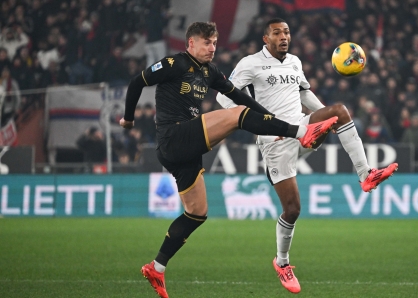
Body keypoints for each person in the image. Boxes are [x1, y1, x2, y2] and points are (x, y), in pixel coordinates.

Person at [119, 21, 337, 298]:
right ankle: (303, 133)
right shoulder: (174, 63)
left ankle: (156, 268)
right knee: (235, 117)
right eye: (206, 42)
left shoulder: (210, 72)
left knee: (196, 213)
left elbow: (242, 98)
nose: (212, 48)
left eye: (214, 42)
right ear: (191, 44)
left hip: (185, 152)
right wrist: (128, 118)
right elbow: (137, 81)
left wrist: (275, 122)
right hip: (173, 136)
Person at [216, 18, 398, 294]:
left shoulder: (295, 62)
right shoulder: (250, 64)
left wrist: (327, 117)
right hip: (275, 141)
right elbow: (224, 99)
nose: (283, 37)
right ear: (266, 39)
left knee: (340, 111)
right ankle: (282, 262)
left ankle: (366, 175)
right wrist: (255, 122)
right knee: (293, 209)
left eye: (286, 32)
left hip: (302, 129)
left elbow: (306, 94)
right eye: (277, 33)